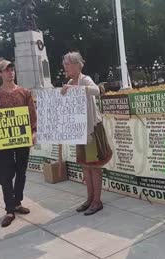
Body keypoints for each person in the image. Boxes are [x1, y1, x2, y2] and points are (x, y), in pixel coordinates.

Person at [0, 60, 37, 227]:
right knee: (7, 173)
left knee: (21, 171)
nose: (10, 72)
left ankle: (17, 202)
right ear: (0, 74)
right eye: (6, 70)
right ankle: (9, 208)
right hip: (4, 140)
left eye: (12, 69)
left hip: (22, 138)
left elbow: (32, 114)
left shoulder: (25, 92)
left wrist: (33, 132)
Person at [61, 52, 112, 216]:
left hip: (91, 130)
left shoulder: (84, 79)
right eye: (65, 64)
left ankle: (97, 201)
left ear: (77, 65)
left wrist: (74, 89)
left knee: (94, 166)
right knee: (85, 165)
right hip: (80, 130)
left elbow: (96, 90)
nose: (65, 67)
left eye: (68, 64)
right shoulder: (70, 82)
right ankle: (90, 199)